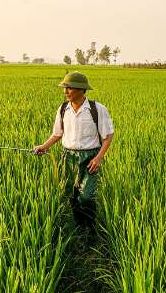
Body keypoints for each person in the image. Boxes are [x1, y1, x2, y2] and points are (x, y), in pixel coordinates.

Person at [34, 71, 114, 232]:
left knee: (86, 196)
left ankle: (91, 228)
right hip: (68, 156)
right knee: (72, 194)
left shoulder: (97, 109)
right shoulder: (63, 109)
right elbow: (57, 134)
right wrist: (44, 146)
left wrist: (98, 158)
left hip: (90, 157)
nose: (66, 91)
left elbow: (108, 136)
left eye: (70, 88)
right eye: (65, 88)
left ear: (82, 89)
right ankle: (79, 227)